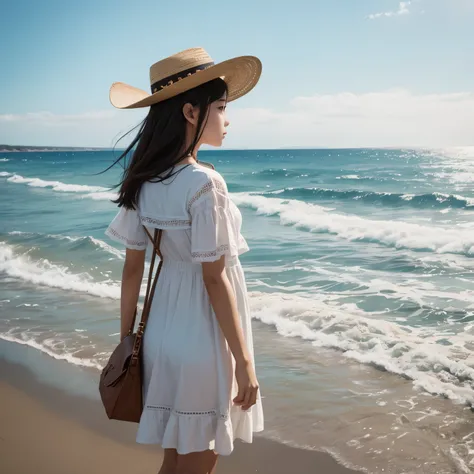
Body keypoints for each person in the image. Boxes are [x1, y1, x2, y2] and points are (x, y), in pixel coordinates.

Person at [104, 47, 264, 474]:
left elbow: (132, 270)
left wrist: (127, 340)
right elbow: (215, 280)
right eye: (222, 108)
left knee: (175, 460)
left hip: (160, 332)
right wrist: (245, 362)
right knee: (196, 461)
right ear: (191, 112)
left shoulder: (144, 180)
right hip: (201, 338)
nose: (228, 120)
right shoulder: (204, 183)